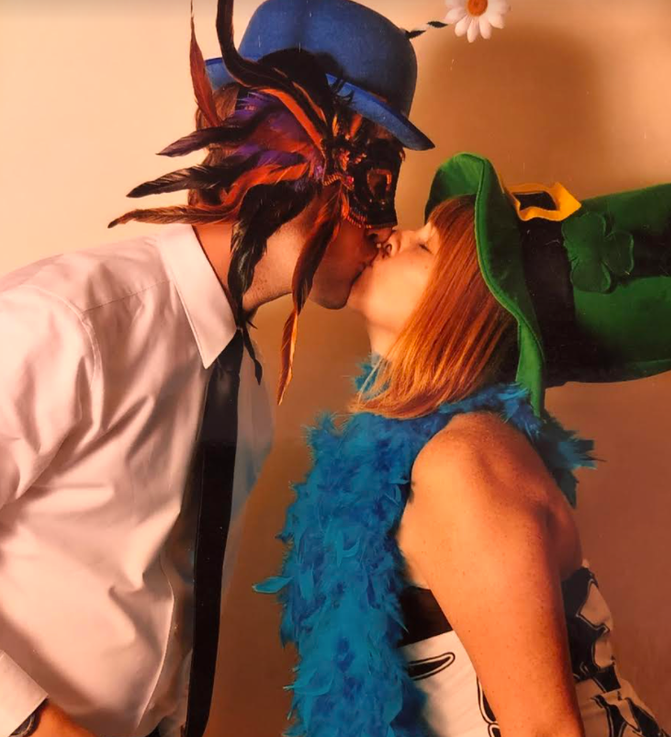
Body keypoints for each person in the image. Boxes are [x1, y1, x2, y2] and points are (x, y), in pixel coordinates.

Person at [0, 1, 434, 737]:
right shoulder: (74, 322)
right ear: (288, 157)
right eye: (376, 177)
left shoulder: (251, 391)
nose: (386, 225)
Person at [257, 153, 671, 737]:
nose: (395, 235)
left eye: (426, 246)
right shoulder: (417, 451)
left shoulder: (464, 464)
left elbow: (544, 730)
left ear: (465, 311)